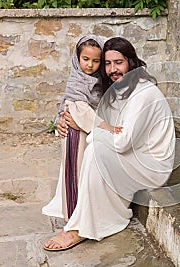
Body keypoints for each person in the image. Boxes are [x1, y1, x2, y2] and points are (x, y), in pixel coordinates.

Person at [43, 37, 175, 251]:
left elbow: (122, 143)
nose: (113, 69)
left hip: (152, 166)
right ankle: (75, 206)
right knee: (78, 133)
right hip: (134, 154)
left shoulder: (144, 93)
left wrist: (89, 126)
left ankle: (82, 227)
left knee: (96, 147)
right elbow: (107, 123)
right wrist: (65, 120)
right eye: (107, 63)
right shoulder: (119, 89)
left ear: (131, 62)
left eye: (119, 62)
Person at [42, 35, 121, 222]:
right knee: (75, 108)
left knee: (90, 172)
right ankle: (73, 211)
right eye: (85, 59)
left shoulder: (104, 81)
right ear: (77, 59)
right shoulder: (76, 80)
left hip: (93, 129)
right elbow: (67, 107)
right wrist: (61, 121)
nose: (90, 65)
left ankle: (92, 208)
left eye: (96, 61)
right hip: (80, 129)